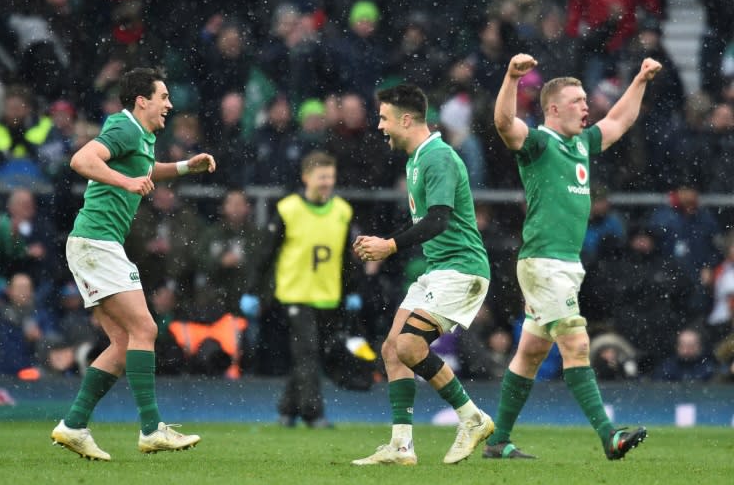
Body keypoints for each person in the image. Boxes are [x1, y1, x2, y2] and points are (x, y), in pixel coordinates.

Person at [487, 53, 662, 460]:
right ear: (553, 108)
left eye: (586, 99)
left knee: (530, 353)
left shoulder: (581, 142)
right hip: (543, 262)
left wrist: (639, 80)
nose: (587, 105)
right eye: (578, 100)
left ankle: (498, 441)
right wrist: (512, 77)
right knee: (577, 346)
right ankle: (609, 436)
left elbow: (619, 122)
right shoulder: (538, 143)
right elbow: (502, 124)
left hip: (566, 264)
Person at [50, 67, 215, 461]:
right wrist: (124, 184)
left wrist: (183, 167)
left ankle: (73, 425)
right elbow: (81, 159)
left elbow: (142, 170)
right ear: (142, 100)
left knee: (124, 343)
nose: (169, 105)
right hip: (97, 243)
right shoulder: (124, 129)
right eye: (163, 97)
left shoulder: (140, 136)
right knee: (144, 328)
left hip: (98, 244)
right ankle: (151, 428)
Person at [352, 84, 494, 466]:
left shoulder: (438, 157)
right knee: (391, 349)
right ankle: (401, 447)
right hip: (438, 270)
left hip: (462, 270)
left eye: (384, 118)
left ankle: (473, 418)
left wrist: (389, 246)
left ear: (406, 119)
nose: (380, 126)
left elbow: (438, 219)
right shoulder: (415, 159)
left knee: (411, 346)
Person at [239, 150, 361, 428]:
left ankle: (286, 410)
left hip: (328, 295)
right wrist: (252, 291)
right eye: (321, 177)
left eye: (330, 177)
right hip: (295, 293)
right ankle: (313, 413)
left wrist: (351, 289)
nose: (327, 182)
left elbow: (345, 257)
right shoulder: (288, 209)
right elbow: (265, 254)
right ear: (306, 177)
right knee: (307, 352)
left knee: (312, 353)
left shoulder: (343, 211)